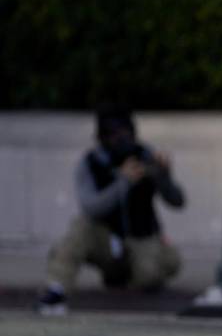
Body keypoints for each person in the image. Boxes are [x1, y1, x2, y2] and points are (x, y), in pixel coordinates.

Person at [36, 106, 186, 314]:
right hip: (104, 237)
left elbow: (177, 201)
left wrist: (163, 177)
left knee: (153, 274)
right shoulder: (90, 163)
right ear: (102, 137)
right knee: (79, 228)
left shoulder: (145, 155)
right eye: (114, 135)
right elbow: (91, 207)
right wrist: (122, 182)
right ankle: (55, 289)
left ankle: (122, 274)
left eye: (126, 133)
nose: (121, 140)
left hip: (140, 236)